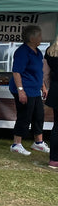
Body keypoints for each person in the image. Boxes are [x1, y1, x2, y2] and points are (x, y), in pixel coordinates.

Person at [9, 25, 49, 155]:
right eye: (39, 36)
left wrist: (43, 86)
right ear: (32, 38)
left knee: (39, 115)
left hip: (34, 89)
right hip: (24, 89)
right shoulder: (22, 52)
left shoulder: (38, 52)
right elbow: (16, 72)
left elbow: (39, 71)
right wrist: (21, 90)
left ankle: (38, 142)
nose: (41, 38)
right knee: (24, 115)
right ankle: (16, 143)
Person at [43, 36, 58, 169]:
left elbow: (45, 74)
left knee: (56, 126)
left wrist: (49, 87)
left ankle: (54, 159)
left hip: (56, 91)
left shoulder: (50, 51)